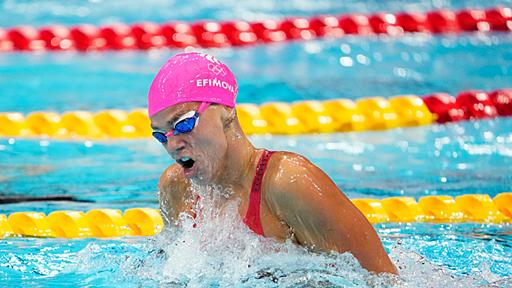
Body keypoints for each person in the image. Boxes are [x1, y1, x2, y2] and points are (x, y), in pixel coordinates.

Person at [148, 52, 397, 275]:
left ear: (225, 110)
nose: (172, 146)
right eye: (160, 135)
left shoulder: (287, 182)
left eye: (183, 124)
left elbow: (383, 279)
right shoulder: (176, 188)